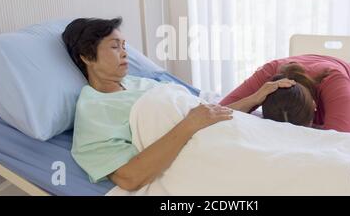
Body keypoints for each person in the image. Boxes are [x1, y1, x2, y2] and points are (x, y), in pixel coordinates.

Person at [62, 17, 233, 191]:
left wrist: (251, 100)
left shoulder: (139, 83)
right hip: (198, 153)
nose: (124, 53)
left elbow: (206, 111)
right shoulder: (92, 110)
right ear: (86, 57)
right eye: (115, 46)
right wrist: (190, 124)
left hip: (219, 133)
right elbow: (129, 178)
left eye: (124, 46)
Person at [219, 55, 350, 135]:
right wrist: (254, 98)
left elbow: (344, 143)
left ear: (315, 106)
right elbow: (216, 112)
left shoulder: (335, 81)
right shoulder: (268, 74)